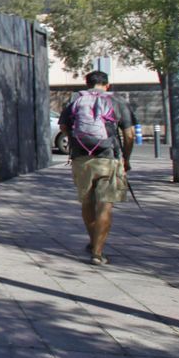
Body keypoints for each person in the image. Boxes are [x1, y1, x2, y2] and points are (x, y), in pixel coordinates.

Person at [59, 70, 136, 265]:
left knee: (87, 203)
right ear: (107, 85)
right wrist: (126, 159)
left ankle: (93, 241)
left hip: (81, 159)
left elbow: (63, 127)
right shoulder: (117, 101)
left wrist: (75, 143)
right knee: (105, 205)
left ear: (87, 84)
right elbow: (129, 134)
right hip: (109, 158)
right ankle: (98, 252)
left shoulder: (76, 99)